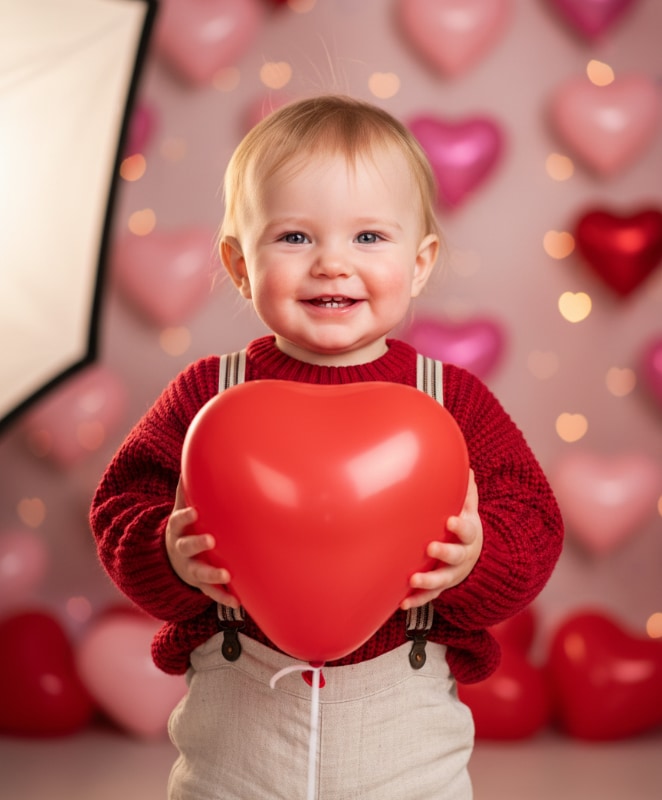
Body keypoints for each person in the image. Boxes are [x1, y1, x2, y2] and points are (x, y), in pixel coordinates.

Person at [90, 95, 563, 800]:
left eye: (369, 237)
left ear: (421, 260)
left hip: (402, 729)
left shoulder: (450, 399)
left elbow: (534, 519)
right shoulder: (207, 393)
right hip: (239, 726)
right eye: (295, 238)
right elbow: (119, 506)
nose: (332, 265)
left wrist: (476, 558)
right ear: (240, 263)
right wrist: (167, 553)